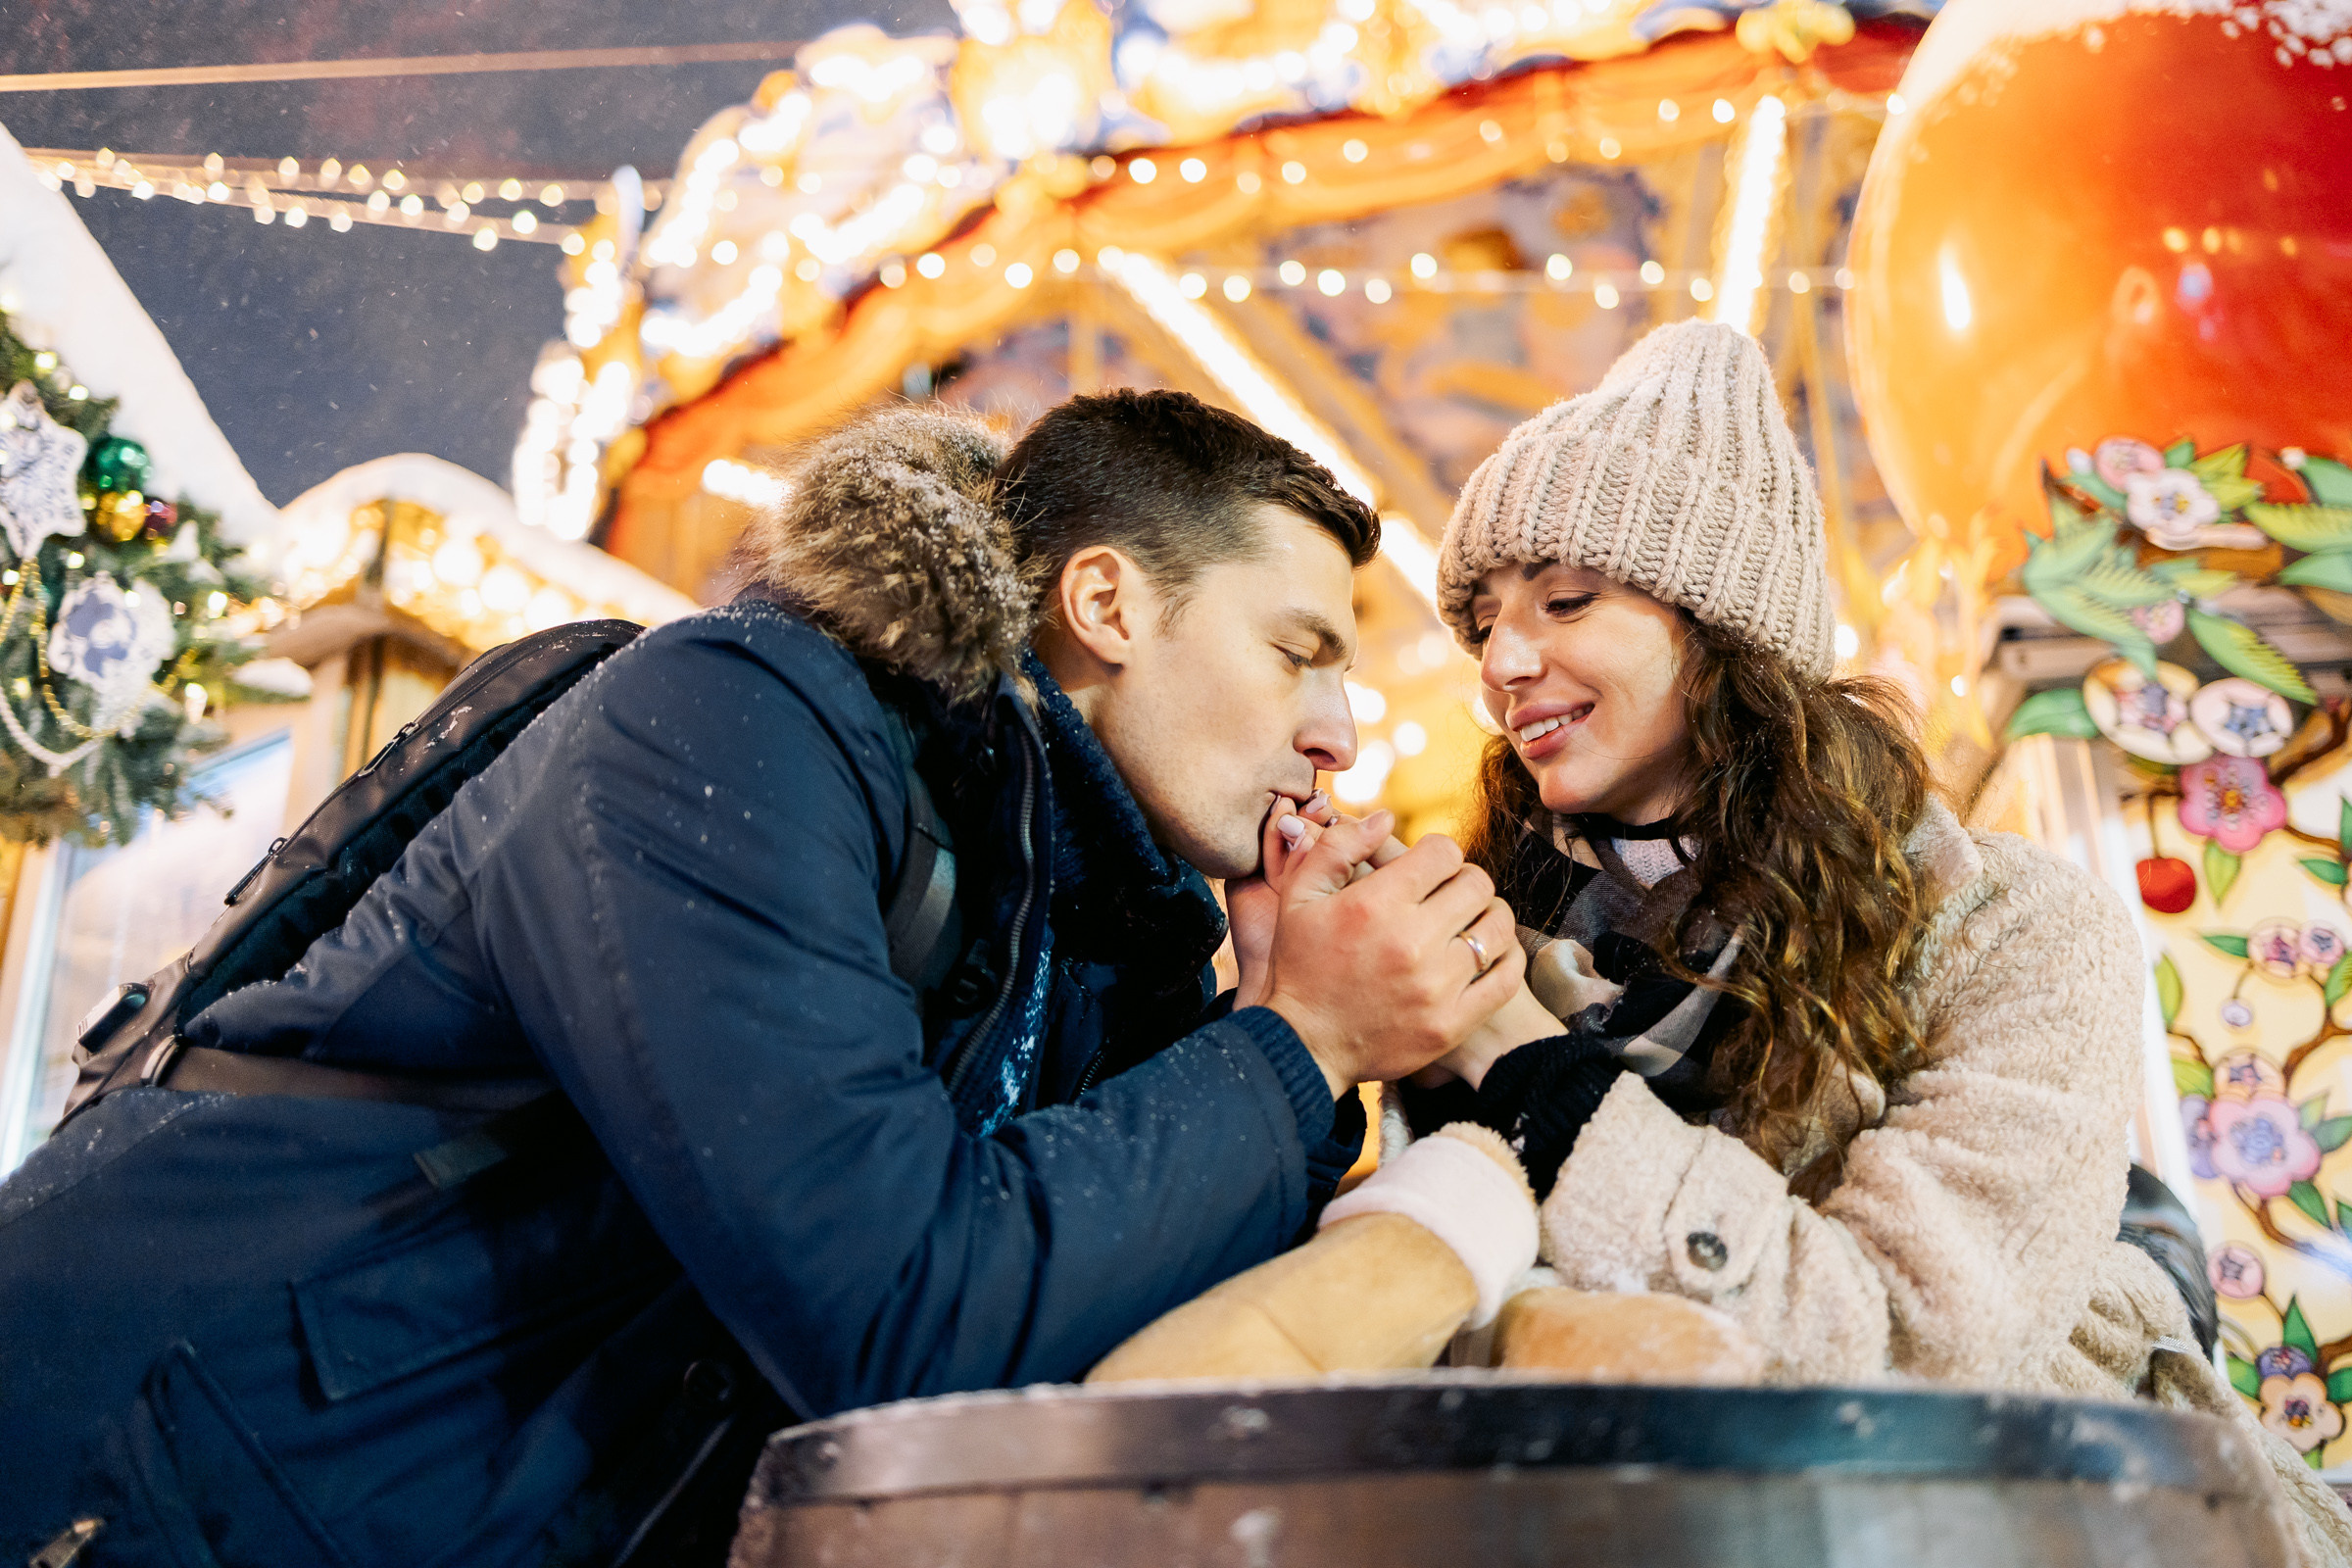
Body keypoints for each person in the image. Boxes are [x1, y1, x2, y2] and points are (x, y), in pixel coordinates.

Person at [0, 391, 1524, 1567]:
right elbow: (900, 1320)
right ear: (1110, 604)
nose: (1339, 726)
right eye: (1299, 649)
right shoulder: (730, 721)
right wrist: (1297, 1043)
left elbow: (1124, 1354)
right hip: (166, 1485)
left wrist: (1287, 1042)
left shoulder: (1090, 933)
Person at [1088, 321, 2352, 1562]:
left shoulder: (2015, 928)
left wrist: (1527, 1058)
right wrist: (1288, 1001)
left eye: (1567, 600)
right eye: (1482, 624)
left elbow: (1913, 1360)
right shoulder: (1501, 929)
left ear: (1721, 624)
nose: (1504, 661)